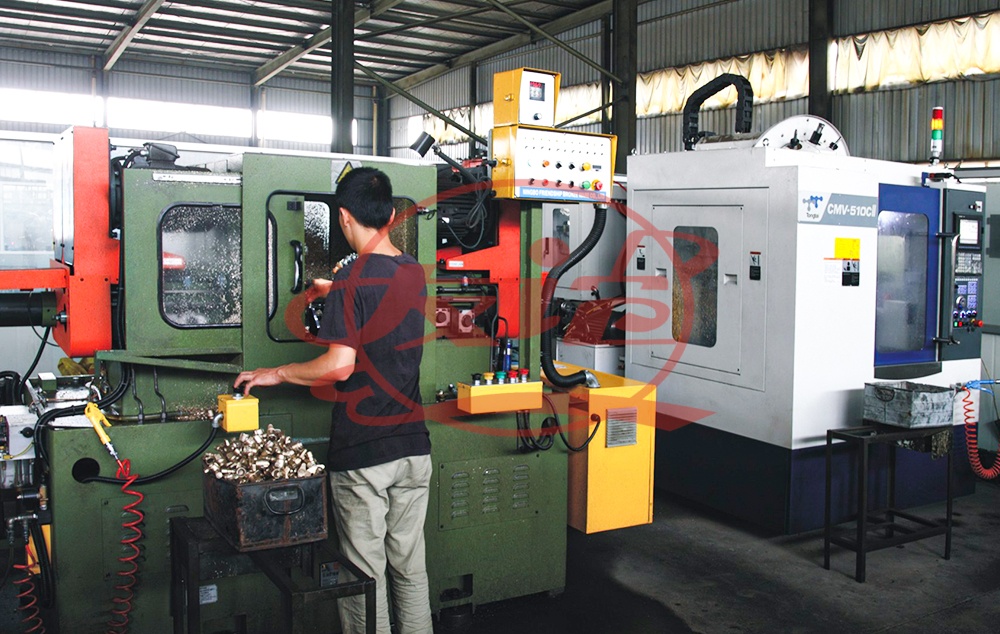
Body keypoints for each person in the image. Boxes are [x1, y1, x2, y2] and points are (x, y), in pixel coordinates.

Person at [235, 167, 433, 634]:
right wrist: (336, 292)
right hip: (413, 449)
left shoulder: (354, 278)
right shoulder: (411, 271)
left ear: (343, 217)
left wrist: (276, 373)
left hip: (364, 454)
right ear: (390, 215)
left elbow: (338, 366)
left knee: (364, 576)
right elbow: (380, 305)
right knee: (410, 567)